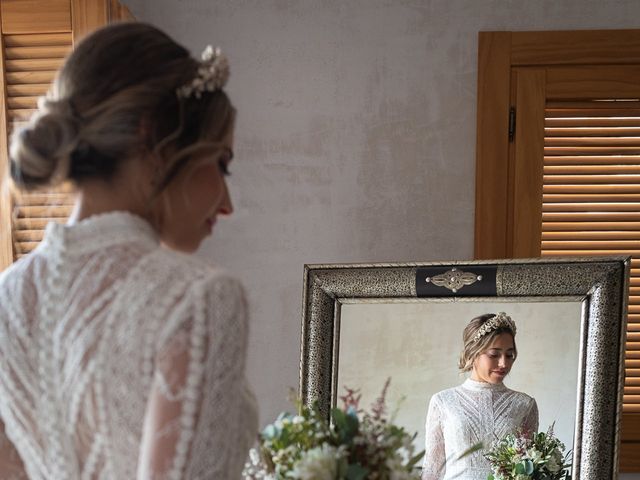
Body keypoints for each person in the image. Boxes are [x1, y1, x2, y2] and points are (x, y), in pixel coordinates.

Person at [0, 22, 257, 479]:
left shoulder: (7, 299)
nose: (227, 203)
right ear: (152, 135)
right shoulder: (199, 299)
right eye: (221, 163)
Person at [421, 313, 538, 480]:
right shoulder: (443, 402)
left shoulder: (524, 405)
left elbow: (528, 468)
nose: (504, 363)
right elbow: (432, 469)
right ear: (472, 353)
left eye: (509, 355)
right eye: (494, 355)